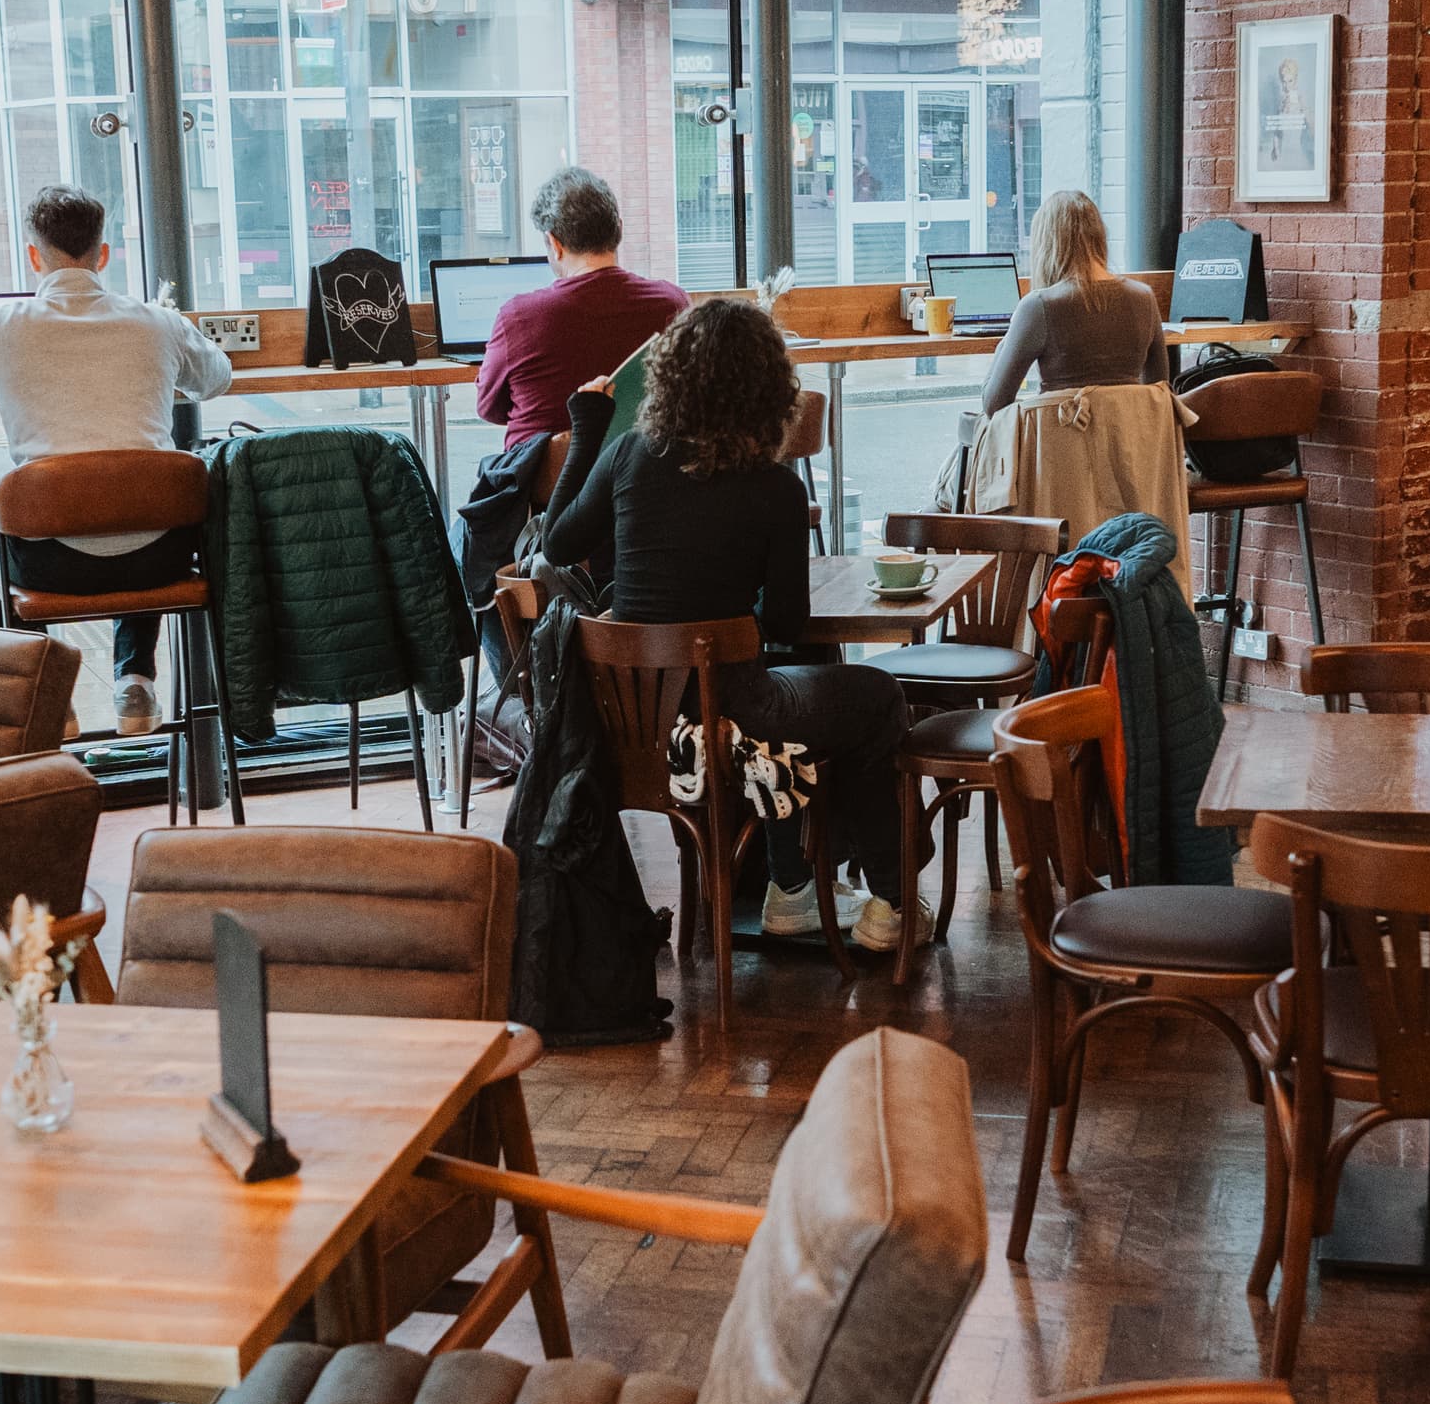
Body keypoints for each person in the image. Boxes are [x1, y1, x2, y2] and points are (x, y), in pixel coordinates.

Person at [545, 297, 907, 953]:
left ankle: (794, 886)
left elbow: (558, 543)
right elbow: (790, 623)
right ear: (770, 388)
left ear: (672, 377)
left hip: (639, 736)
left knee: (768, 697)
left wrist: (588, 424)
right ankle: (887, 902)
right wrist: (732, 626)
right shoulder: (775, 488)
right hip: (735, 729)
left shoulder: (628, 453)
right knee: (874, 697)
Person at [0, 184, 231, 736]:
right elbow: (217, 379)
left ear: (34, 257)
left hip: (50, 564)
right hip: (163, 560)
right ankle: (137, 676)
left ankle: (46, 693)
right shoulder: (158, 322)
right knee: (137, 502)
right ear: (103, 255)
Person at [458, 167, 685, 626]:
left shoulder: (520, 315)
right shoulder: (671, 303)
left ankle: (516, 665)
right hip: (648, 493)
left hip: (549, 509)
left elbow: (490, 408)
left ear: (554, 242)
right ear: (616, 232)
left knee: (462, 532)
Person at [975, 189, 1165, 416]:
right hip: (1127, 448)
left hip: (1059, 448)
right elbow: (1159, 394)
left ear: (1047, 245)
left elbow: (994, 405)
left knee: (976, 428)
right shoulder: (1144, 298)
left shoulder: (1039, 306)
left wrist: (1007, 341)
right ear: (1099, 237)